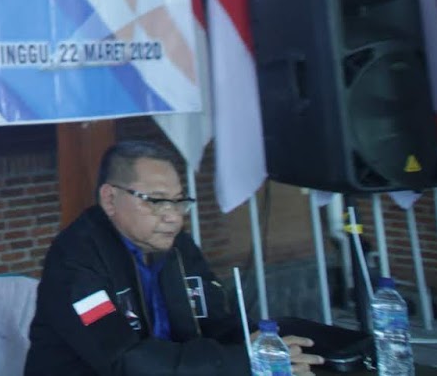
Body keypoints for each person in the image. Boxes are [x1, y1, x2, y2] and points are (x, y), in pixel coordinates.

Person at [25, 140, 324, 376]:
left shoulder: (178, 247)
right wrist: (239, 363)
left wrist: (266, 349)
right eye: (156, 201)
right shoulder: (75, 261)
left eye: (179, 201)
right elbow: (124, 360)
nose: (173, 217)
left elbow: (217, 324)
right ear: (110, 199)